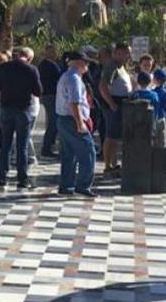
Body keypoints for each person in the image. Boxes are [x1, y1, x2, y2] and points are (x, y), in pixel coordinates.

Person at [0, 47, 42, 190]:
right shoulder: (31, 69)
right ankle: (22, 180)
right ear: (29, 58)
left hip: (6, 109)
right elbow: (38, 91)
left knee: (6, 145)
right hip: (23, 110)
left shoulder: (4, 67)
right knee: (22, 146)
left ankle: (2, 178)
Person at [55, 51, 95, 197]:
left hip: (63, 119)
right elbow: (74, 102)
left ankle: (67, 185)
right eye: (85, 62)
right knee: (88, 151)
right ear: (79, 62)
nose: (87, 65)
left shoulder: (66, 76)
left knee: (69, 154)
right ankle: (83, 185)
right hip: (72, 120)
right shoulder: (74, 79)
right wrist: (80, 123)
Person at [98, 43, 133, 174]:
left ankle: (113, 162)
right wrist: (111, 103)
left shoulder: (122, 67)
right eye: (126, 53)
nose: (128, 56)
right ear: (117, 53)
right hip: (114, 104)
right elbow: (103, 86)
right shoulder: (112, 66)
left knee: (116, 136)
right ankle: (107, 165)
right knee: (111, 136)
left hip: (123, 104)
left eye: (129, 53)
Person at [37, 45, 63, 158]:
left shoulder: (43, 65)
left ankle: (49, 146)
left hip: (49, 95)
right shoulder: (49, 65)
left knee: (53, 121)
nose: (54, 54)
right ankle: (47, 147)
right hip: (51, 95)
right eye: (52, 51)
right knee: (54, 122)